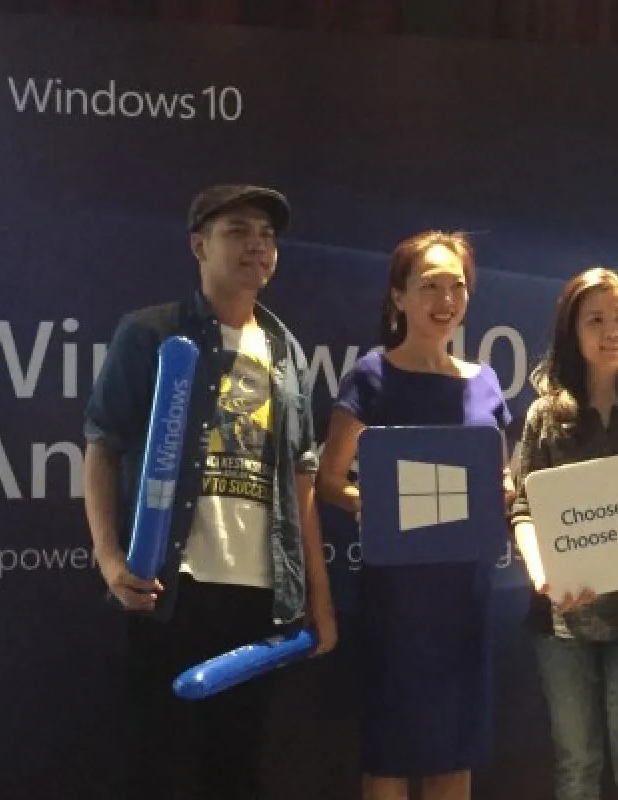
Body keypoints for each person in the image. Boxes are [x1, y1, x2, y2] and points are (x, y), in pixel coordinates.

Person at [83, 184, 337, 800]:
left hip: (261, 597)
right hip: (170, 591)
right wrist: (110, 560)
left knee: (237, 769)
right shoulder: (151, 333)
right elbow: (102, 445)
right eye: (237, 231)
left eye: (267, 235)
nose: (257, 245)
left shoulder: (285, 349)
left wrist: (318, 595)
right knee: (156, 767)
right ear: (199, 246)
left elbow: (301, 477)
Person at [316, 231, 512, 800]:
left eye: (457, 286)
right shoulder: (372, 375)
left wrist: (500, 493)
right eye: (430, 286)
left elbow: (499, 479)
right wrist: (374, 504)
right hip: (396, 600)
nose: (445, 300)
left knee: (456, 749)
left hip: (466, 595)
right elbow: (329, 481)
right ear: (399, 297)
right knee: (391, 753)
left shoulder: (485, 382)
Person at [509, 267, 618, 800]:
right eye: (596, 320)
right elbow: (524, 508)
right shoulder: (544, 416)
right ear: (572, 331)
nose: (612, 332)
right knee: (577, 767)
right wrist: (543, 575)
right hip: (563, 620)